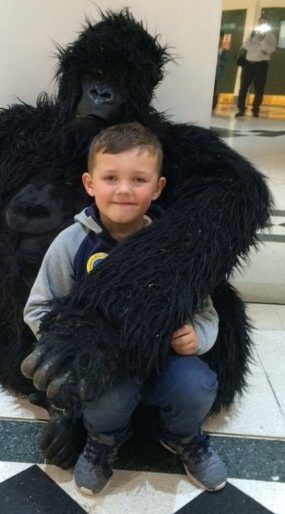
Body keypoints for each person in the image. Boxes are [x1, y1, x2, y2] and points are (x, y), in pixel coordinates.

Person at [23, 122, 227, 496]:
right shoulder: (71, 243)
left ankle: (182, 437)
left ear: (158, 187)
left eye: (138, 180)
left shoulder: (176, 246)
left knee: (196, 386)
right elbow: (39, 308)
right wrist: (69, 349)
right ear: (90, 184)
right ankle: (103, 441)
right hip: (105, 366)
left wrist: (197, 335)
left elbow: (206, 312)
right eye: (111, 177)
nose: (123, 190)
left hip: (165, 359)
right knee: (104, 397)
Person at [235, 16, 277, 118]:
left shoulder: (271, 36)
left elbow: (270, 50)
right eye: (260, 22)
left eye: (265, 22)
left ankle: (255, 109)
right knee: (243, 87)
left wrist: (262, 41)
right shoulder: (252, 33)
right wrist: (261, 48)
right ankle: (241, 109)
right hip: (248, 64)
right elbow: (245, 45)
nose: (262, 24)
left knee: (259, 89)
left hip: (261, 65)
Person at [212, 31, 228, 111]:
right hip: (209, 71)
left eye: (221, 38)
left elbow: (225, 61)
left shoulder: (224, 50)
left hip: (217, 72)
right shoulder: (210, 47)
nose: (219, 40)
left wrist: (218, 59)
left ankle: (213, 106)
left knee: (215, 89)